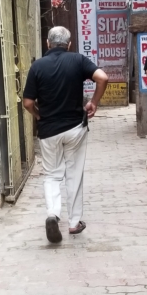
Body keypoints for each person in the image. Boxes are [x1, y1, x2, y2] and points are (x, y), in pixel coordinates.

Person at [23, 27, 108, 244]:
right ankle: (74, 223)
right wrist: (94, 102)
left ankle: (53, 214)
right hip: (75, 128)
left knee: (52, 175)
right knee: (74, 174)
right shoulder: (78, 60)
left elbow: (28, 103)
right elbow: (103, 77)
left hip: (49, 131)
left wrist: (38, 116)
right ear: (69, 44)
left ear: (48, 43)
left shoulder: (37, 66)